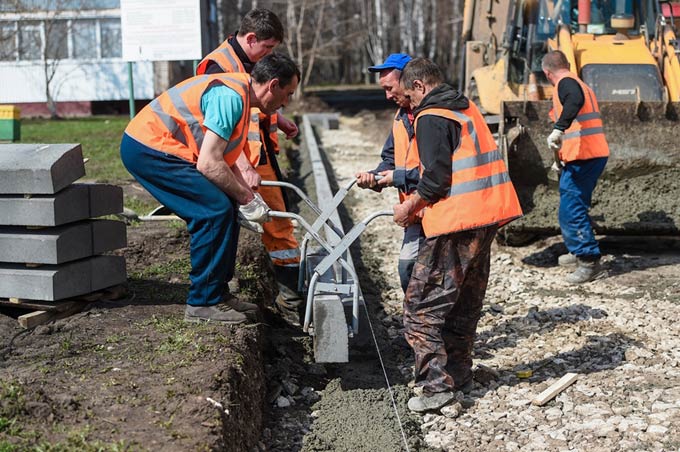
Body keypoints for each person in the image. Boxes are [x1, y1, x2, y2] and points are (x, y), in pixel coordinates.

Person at [120, 53, 300, 324]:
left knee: (225, 206)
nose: (286, 103)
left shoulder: (242, 94)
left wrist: (242, 196)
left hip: (165, 149)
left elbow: (224, 156)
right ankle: (202, 302)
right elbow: (209, 163)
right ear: (273, 85)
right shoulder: (231, 98)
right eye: (288, 94)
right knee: (212, 211)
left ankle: (218, 294)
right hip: (148, 148)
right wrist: (247, 198)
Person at [395, 58, 523, 412]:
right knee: (464, 302)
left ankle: (436, 388)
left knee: (420, 309)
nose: (408, 104)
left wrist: (410, 208)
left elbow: (436, 179)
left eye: (409, 96)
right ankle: (459, 374)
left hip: (456, 220)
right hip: (487, 215)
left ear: (420, 86)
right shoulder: (465, 107)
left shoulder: (432, 115)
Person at [197, 8, 304, 314]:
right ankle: (229, 288)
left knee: (278, 222)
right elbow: (217, 124)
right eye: (268, 48)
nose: (270, 54)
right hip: (237, 160)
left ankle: (289, 299)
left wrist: (278, 117)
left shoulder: (249, 63)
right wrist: (241, 164)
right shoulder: (218, 66)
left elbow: (257, 98)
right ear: (252, 38)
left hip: (261, 156)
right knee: (232, 217)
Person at [355, 53, 423, 293]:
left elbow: (437, 170)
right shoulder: (401, 116)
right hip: (416, 210)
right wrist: (375, 177)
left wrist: (397, 177)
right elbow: (390, 159)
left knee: (423, 272)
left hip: (439, 208)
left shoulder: (433, 116)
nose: (387, 95)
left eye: (390, 88)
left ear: (410, 82)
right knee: (408, 269)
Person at [542, 50, 609, 284]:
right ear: (567, 64)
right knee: (571, 204)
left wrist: (559, 127)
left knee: (572, 206)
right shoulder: (576, 81)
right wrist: (559, 156)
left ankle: (589, 261)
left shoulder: (566, 82)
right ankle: (577, 248)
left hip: (585, 155)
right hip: (586, 154)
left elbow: (574, 101)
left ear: (546, 72)